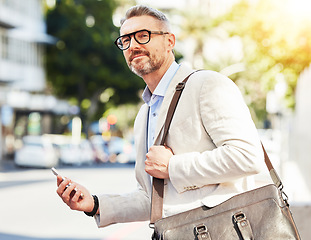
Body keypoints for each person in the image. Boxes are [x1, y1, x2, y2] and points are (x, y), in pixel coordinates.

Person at [56, 4, 264, 231]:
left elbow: (247, 156)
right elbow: (152, 199)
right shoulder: (144, 115)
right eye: (125, 40)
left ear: (170, 41)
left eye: (143, 36)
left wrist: (173, 166)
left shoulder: (206, 85)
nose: (133, 45)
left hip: (221, 232)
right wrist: (94, 204)